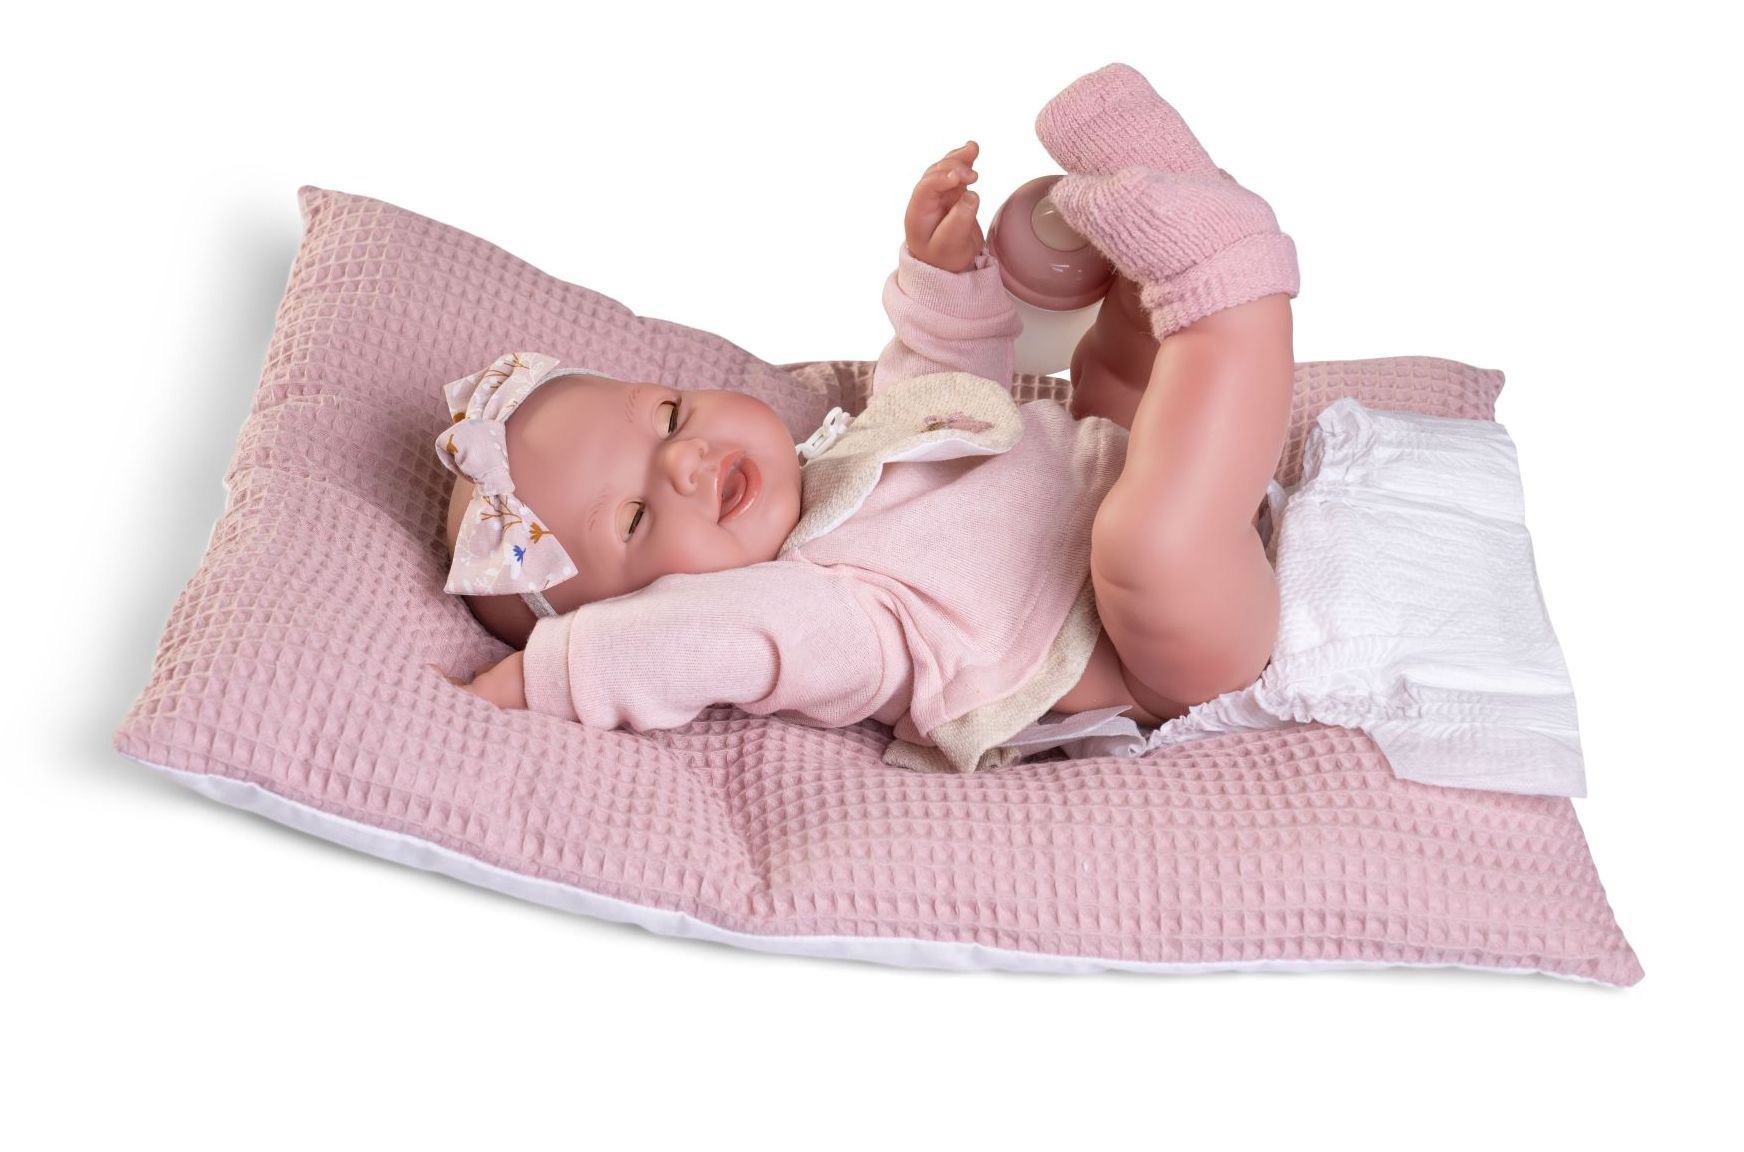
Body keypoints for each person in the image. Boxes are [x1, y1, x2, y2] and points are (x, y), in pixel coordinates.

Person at [435, 63, 1299, 773]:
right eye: (634, 517)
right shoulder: (815, 615)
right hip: (1164, 650)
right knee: (1147, 546)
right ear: (645, 605)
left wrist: (943, 278)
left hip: (1124, 462)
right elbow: (698, 642)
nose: (685, 462)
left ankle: (1167, 188)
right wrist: (551, 675)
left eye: (667, 417)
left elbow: (944, 403)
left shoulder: (839, 465)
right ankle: (1228, 283)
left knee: (1116, 368)